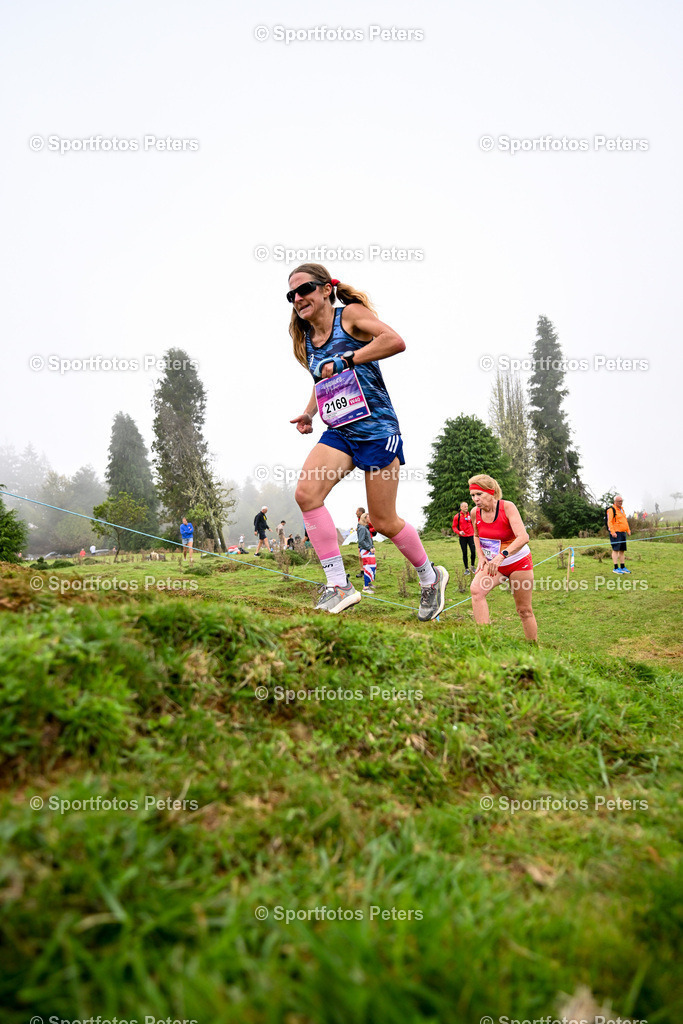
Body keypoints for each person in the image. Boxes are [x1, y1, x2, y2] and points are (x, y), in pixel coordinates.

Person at [287, 263, 448, 619]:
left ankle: (430, 577)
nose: (298, 298)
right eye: (292, 295)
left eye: (305, 289)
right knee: (306, 494)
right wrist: (309, 412)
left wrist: (348, 358)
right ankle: (339, 585)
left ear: (327, 289)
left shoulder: (351, 317)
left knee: (383, 519)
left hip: (377, 431)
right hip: (340, 431)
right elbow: (323, 379)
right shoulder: (307, 339)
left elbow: (394, 340)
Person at [469, 474, 537, 642]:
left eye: (479, 494)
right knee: (476, 590)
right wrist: (481, 556)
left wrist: (502, 555)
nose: (476, 499)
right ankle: (486, 641)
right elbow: (476, 536)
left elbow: (523, 537)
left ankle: (533, 648)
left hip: (518, 562)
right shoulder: (474, 513)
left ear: (491, 493)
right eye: (472, 495)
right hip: (493, 565)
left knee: (524, 610)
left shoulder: (507, 507)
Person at [607, 495, 631, 573]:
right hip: (616, 533)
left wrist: (628, 530)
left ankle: (622, 566)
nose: (620, 502)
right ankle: (616, 568)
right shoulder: (611, 510)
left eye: (621, 501)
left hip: (623, 532)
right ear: (615, 501)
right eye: (619, 501)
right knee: (616, 550)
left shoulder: (622, 510)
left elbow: (625, 520)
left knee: (622, 550)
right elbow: (609, 522)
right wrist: (612, 532)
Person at [452, 501, 476, 574]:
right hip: (462, 537)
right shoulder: (457, 516)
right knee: (464, 553)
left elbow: (475, 524)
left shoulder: (471, 515)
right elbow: (454, 527)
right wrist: (459, 532)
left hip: (471, 536)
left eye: (467, 506)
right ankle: (466, 569)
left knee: (473, 552)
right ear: (461, 507)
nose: (466, 508)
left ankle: (472, 566)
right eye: (465, 506)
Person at [357, 512, 377, 594]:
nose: (370, 519)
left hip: (368, 550)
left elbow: (368, 539)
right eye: (369, 518)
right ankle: (365, 587)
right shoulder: (362, 528)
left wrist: (372, 547)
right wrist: (369, 548)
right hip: (365, 551)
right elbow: (361, 541)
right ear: (365, 518)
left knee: (372, 566)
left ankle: (368, 583)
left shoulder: (365, 527)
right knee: (368, 567)